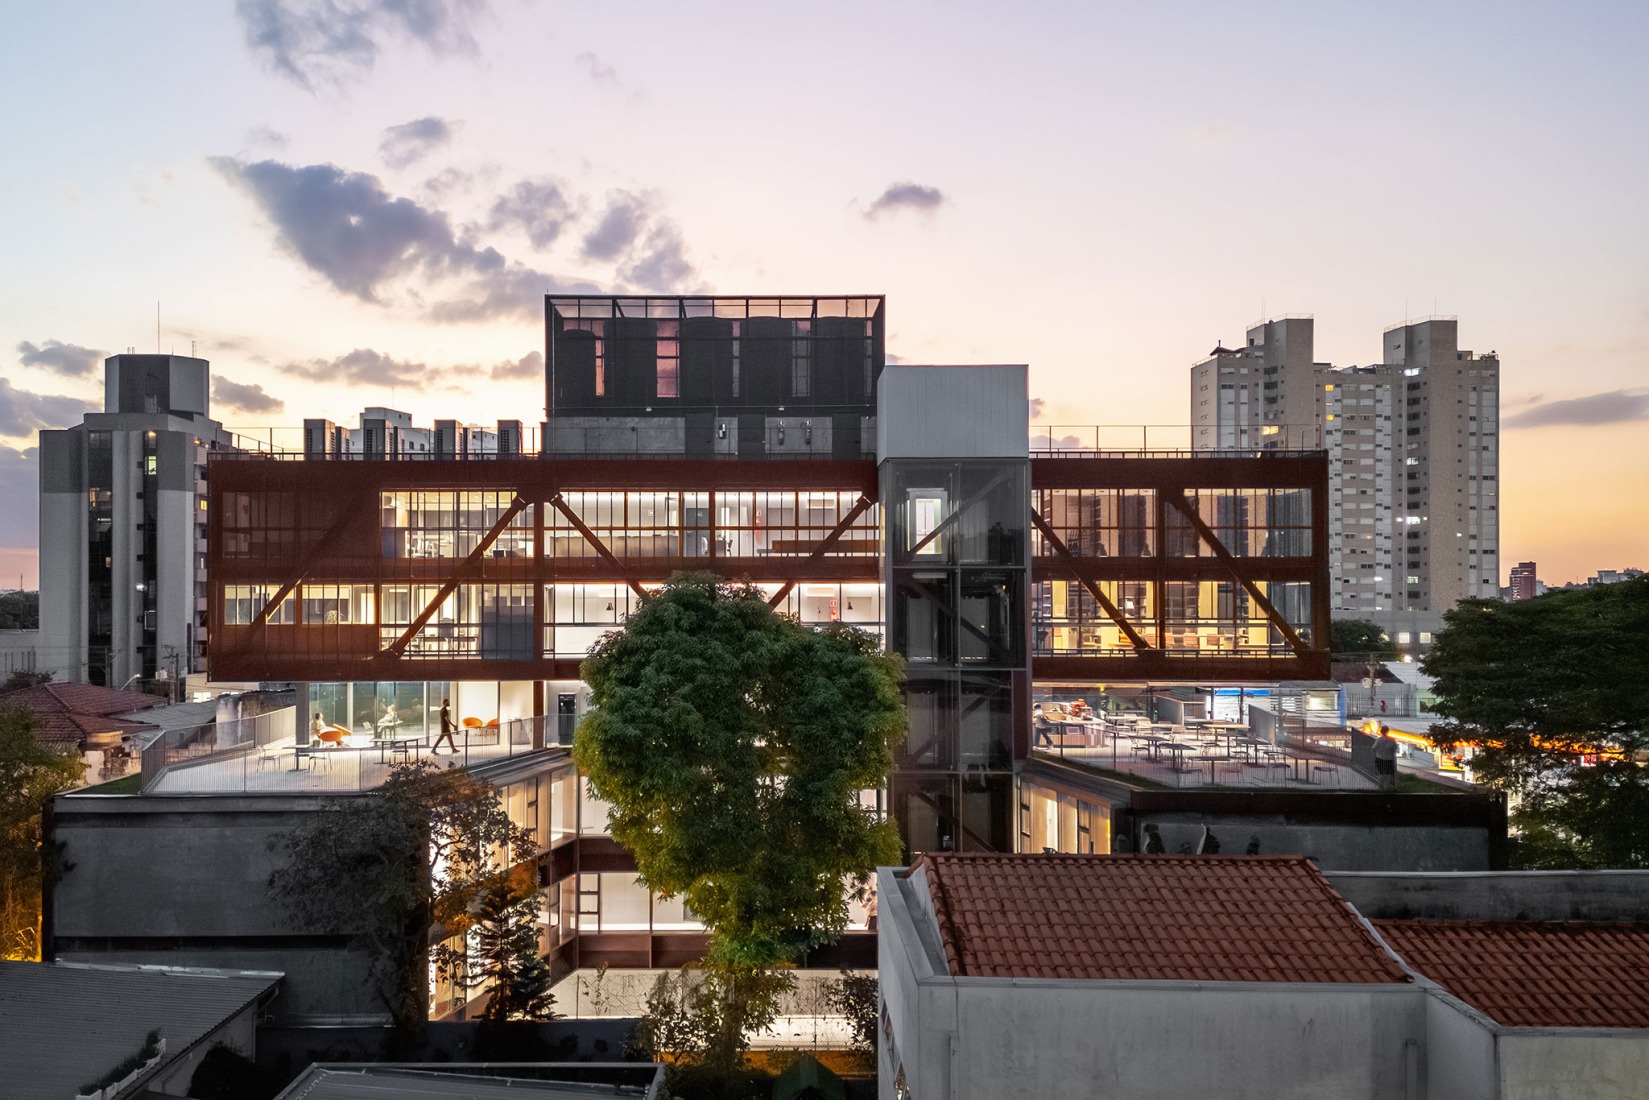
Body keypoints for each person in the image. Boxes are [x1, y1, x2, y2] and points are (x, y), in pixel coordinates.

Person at [1374, 723, 1398, 790]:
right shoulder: (1391, 740)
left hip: (1380, 759)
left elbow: (1374, 748)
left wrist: (1378, 752)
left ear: (1381, 731)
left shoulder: (1378, 740)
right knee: (1388, 773)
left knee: (1381, 773)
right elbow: (1395, 747)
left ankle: (1380, 786)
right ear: (1388, 731)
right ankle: (1387, 787)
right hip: (1389, 759)